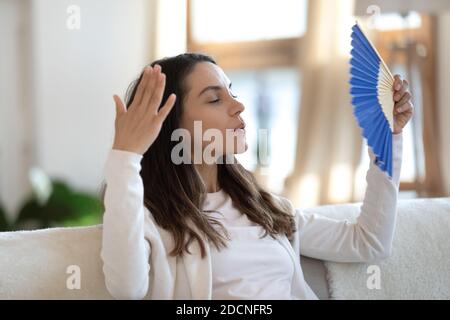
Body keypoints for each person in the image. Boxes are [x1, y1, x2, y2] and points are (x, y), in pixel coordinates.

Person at [100, 53, 413, 300]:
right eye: (214, 99)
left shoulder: (265, 207)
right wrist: (126, 156)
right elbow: (126, 287)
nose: (239, 106)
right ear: (172, 125)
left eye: (232, 92)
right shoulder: (151, 219)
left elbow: (369, 243)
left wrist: (386, 136)